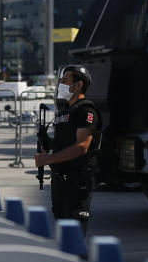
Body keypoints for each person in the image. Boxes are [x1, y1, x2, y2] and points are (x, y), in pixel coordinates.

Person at [34, 64, 102, 241]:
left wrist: (48, 159)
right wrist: (46, 142)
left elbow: (81, 147)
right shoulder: (64, 112)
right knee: (63, 231)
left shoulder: (86, 111)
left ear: (78, 85)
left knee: (74, 236)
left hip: (77, 179)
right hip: (60, 179)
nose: (60, 85)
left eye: (65, 81)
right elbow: (63, 143)